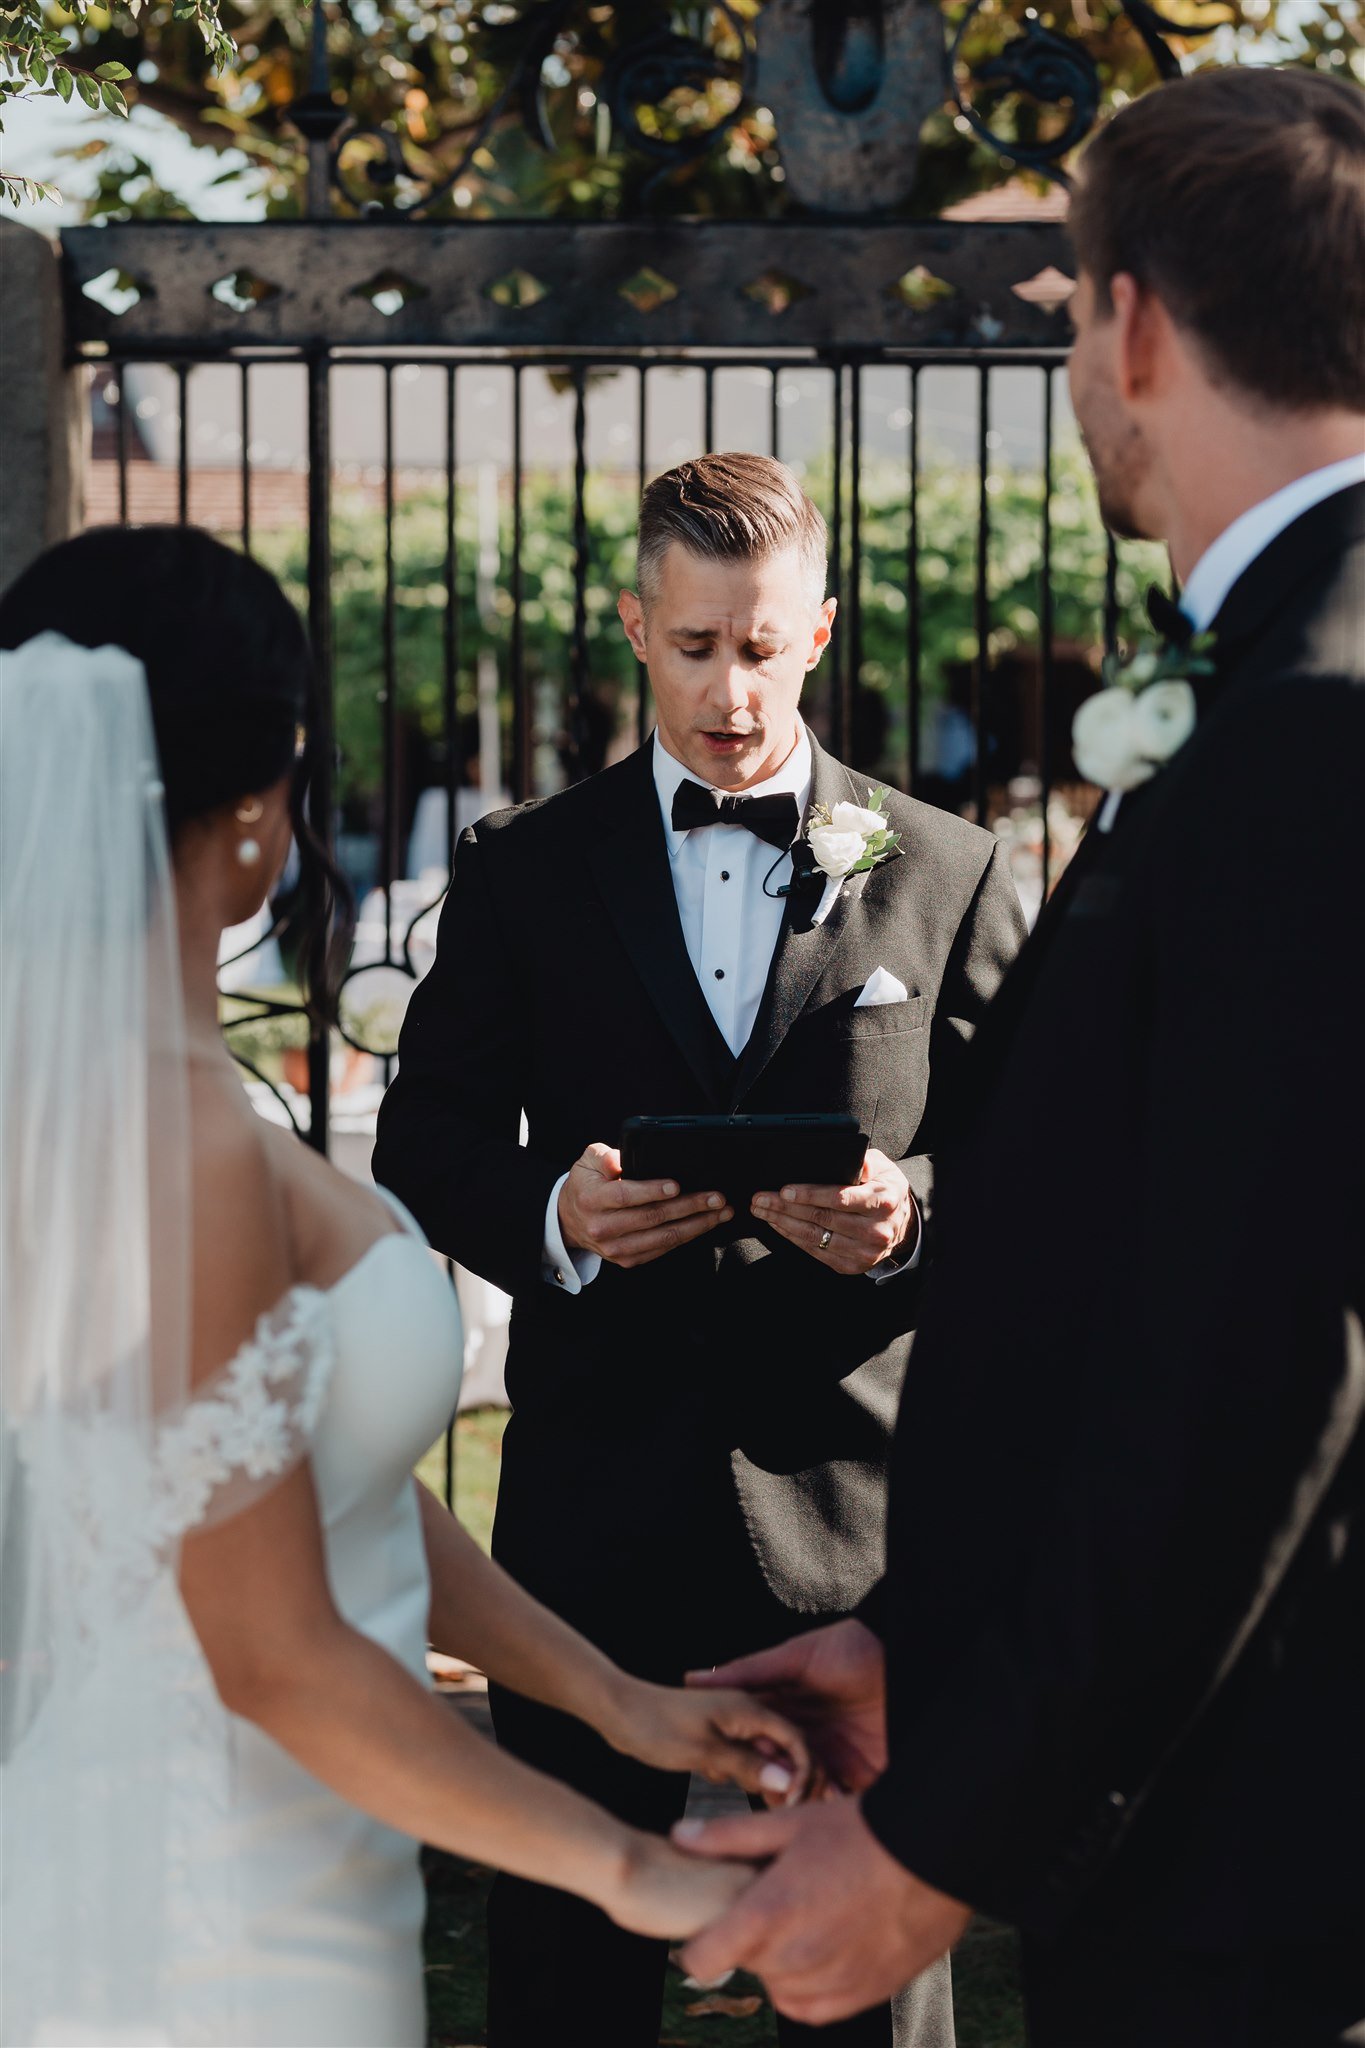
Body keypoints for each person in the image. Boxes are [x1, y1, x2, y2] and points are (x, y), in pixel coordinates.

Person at [672, 67, 1365, 2048]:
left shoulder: (1307, 723)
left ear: (1130, 319)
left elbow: (1250, 1361)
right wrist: (925, 1648)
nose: (1076, 354)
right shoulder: (1279, 678)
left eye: (1066, 304)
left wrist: (941, 1840)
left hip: (1258, 1878)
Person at [0, 526, 814, 2048]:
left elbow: (308, 1479)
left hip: (277, 1856)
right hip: (216, 1901)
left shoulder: (124, 1112)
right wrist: (642, 1872)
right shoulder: (179, 1147)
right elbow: (277, 1654)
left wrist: (611, 1701)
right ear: (263, 805)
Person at [373, 451, 1026, 2048]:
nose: (729, 690)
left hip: (854, 1543)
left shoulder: (944, 868)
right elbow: (427, 1138)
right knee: (558, 1978)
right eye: (692, 648)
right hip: (588, 1536)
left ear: (817, 635)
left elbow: (1046, 1166)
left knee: (866, 1987)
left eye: (760, 647)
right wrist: (553, 1216)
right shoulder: (526, 868)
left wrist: (913, 1211)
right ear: (632, 627)